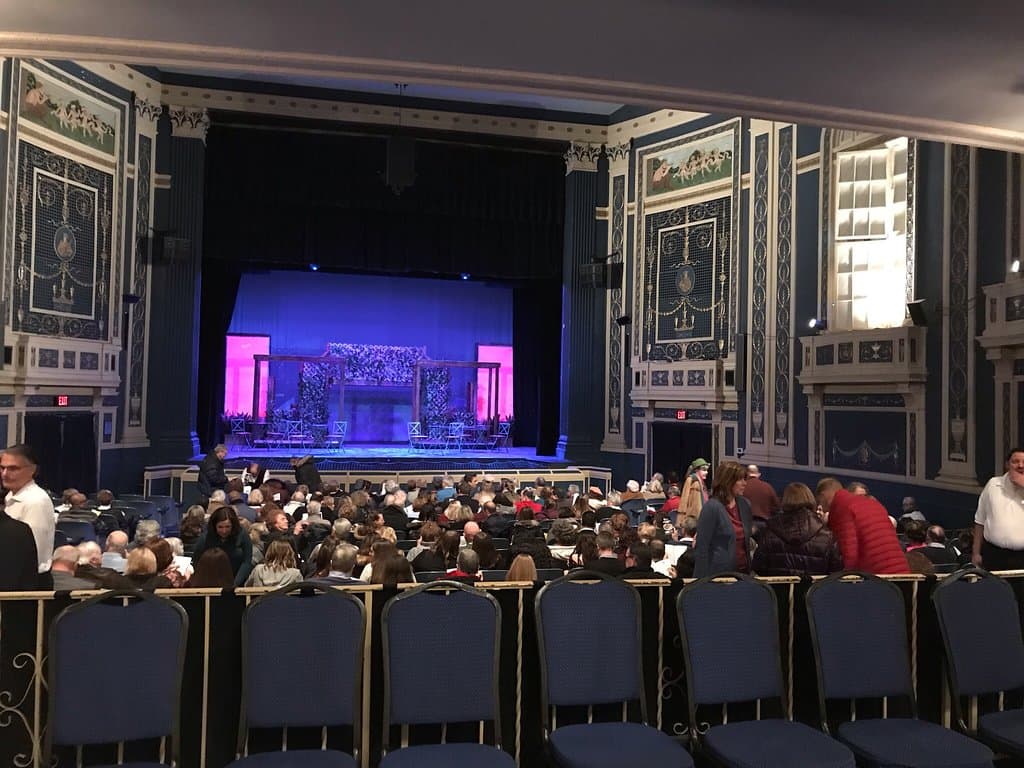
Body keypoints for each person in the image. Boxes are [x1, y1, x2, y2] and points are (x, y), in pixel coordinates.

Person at [816, 477, 907, 574]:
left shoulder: (841, 507)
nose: (821, 507)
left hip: (876, 575)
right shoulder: (872, 503)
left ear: (823, 496)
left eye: (819, 501)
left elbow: (849, 550)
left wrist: (847, 576)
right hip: (900, 571)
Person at [751, 482, 843, 577]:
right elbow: (835, 570)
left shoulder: (770, 532)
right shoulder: (826, 535)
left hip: (778, 586)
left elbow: (759, 567)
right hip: (814, 586)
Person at [2, 444, 55, 576]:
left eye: (13, 468)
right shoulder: (11, 495)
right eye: (2, 468)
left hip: (27, 578)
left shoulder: (36, 501)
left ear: (32, 470)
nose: (5, 474)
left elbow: (32, 552)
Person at [693, 461, 753, 577]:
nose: (744, 483)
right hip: (718, 575)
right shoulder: (712, 507)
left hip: (743, 574)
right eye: (740, 479)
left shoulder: (745, 505)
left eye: (745, 479)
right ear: (728, 481)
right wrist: (700, 581)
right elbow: (702, 548)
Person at [973, 449, 1024, 570]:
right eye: (1015, 461)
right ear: (1007, 464)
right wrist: (975, 553)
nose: (1020, 465)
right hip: (993, 554)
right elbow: (980, 521)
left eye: (1023, 462)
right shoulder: (993, 484)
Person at [190, 506, 254, 586]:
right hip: (210, 583)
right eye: (220, 527)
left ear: (233, 525)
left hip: (237, 581)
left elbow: (247, 561)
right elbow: (196, 561)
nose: (224, 531)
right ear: (214, 526)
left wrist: (235, 583)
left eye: (227, 527)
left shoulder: (242, 534)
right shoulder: (206, 538)